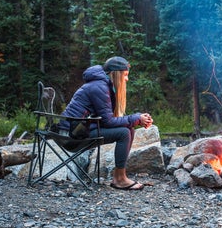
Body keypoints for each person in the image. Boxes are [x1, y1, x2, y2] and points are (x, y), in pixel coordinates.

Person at [58, 56, 153, 190]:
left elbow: (104, 119)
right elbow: (108, 122)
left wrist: (136, 119)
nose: (127, 79)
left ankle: (120, 177)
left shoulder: (102, 85)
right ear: (116, 74)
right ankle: (119, 179)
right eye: (125, 75)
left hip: (78, 130)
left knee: (128, 129)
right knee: (124, 133)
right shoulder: (100, 87)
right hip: (71, 136)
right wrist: (136, 118)